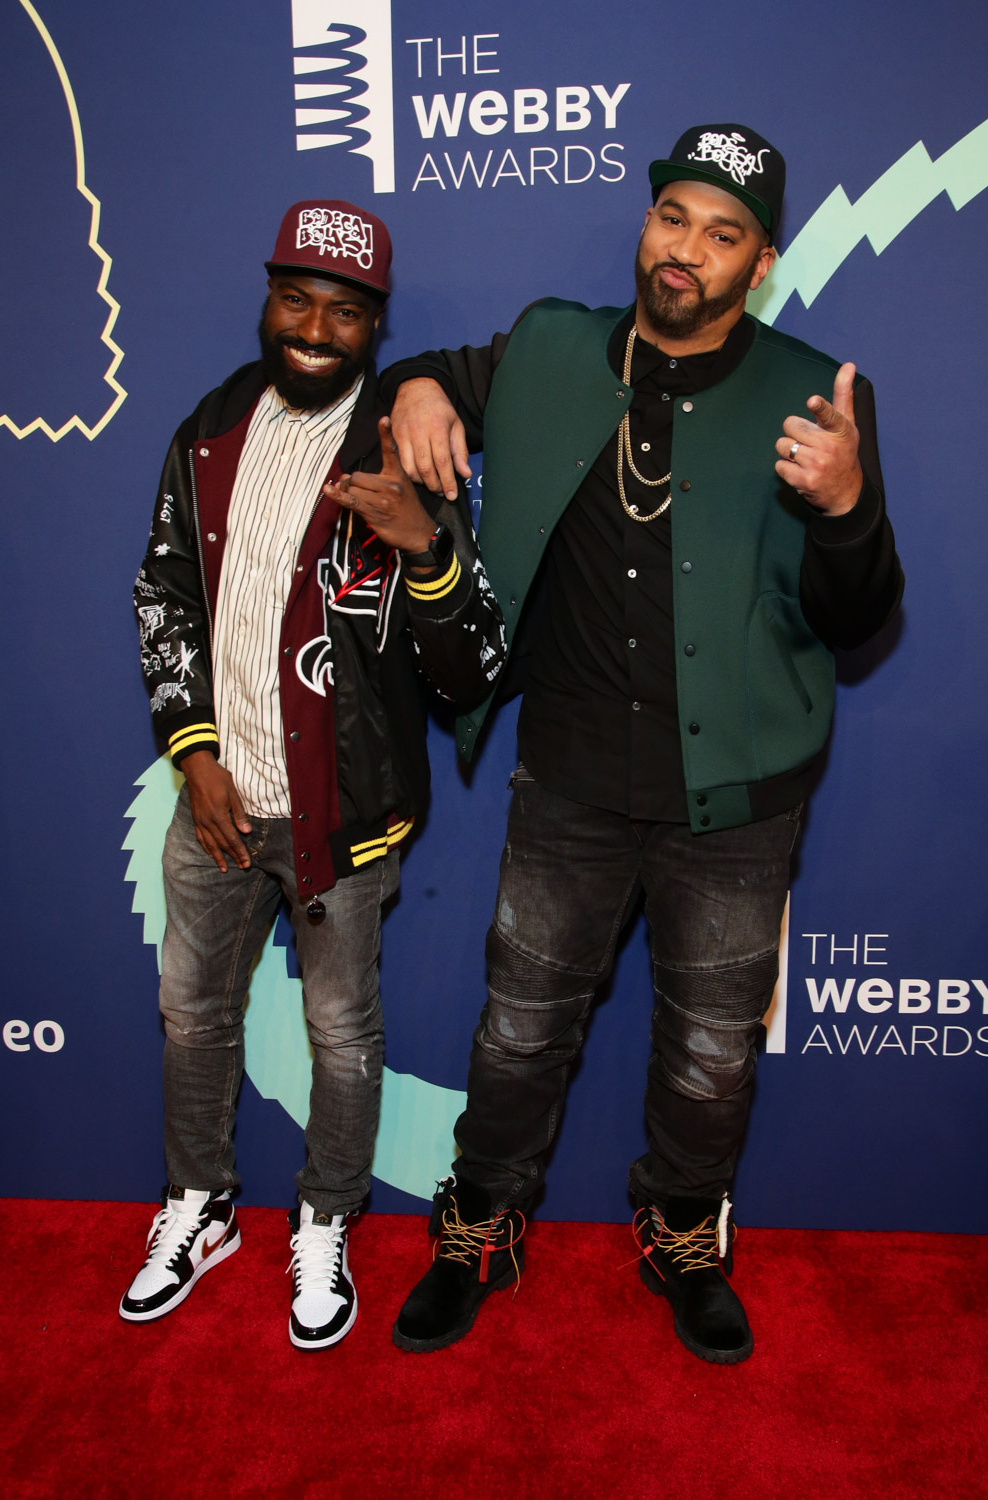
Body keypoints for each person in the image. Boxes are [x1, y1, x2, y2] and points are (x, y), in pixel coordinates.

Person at [384, 126, 903, 1364]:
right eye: (674, 216)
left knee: (713, 1060)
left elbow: (863, 617)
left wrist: (844, 509)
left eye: (723, 234)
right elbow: (441, 376)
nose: (687, 250)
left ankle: (683, 1233)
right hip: (565, 778)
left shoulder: (817, 392)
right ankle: (478, 1225)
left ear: (759, 261)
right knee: (516, 1032)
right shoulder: (552, 344)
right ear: (649, 222)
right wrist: (419, 386)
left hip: (737, 800)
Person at [123, 199, 503, 1349]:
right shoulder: (209, 427)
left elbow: (475, 663)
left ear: (376, 327)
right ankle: (201, 1204)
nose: (313, 327)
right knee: (193, 1017)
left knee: (342, 1037)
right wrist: (193, 754)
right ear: (268, 298)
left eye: (344, 311)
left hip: (345, 816)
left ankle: (324, 1221)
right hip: (216, 802)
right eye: (297, 298)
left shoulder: (408, 449)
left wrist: (423, 546)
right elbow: (163, 596)